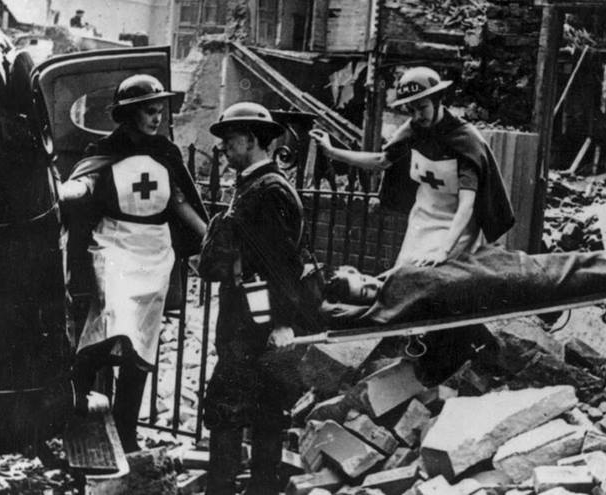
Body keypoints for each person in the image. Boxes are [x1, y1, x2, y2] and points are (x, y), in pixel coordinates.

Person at [58, 74, 208, 452]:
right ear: (128, 114)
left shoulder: (167, 153)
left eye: (159, 110)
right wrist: (69, 191)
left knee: (141, 344)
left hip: (154, 253)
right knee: (110, 320)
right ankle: (77, 404)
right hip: (112, 246)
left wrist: (211, 238)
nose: (157, 118)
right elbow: (84, 185)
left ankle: (126, 433)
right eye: (148, 111)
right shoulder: (104, 149)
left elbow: (179, 202)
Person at [200, 102, 319, 494]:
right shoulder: (254, 185)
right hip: (249, 318)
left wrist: (282, 322)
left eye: (230, 141)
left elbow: (283, 265)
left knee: (231, 407)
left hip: (257, 324)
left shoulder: (268, 191)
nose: (225, 149)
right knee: (261, 407)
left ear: (251, 139)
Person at [309, 66, 514, 268]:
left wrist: (444, 251)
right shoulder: (413, 129)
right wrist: (332, 152)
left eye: (422, 108)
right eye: (411, 110)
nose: (416, 116)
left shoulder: (465, 140)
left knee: (433, 275)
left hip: (456, 225)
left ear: (438, 101)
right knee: (402, 274)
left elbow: (466, 205)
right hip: (423, 218)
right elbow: (382, 161)